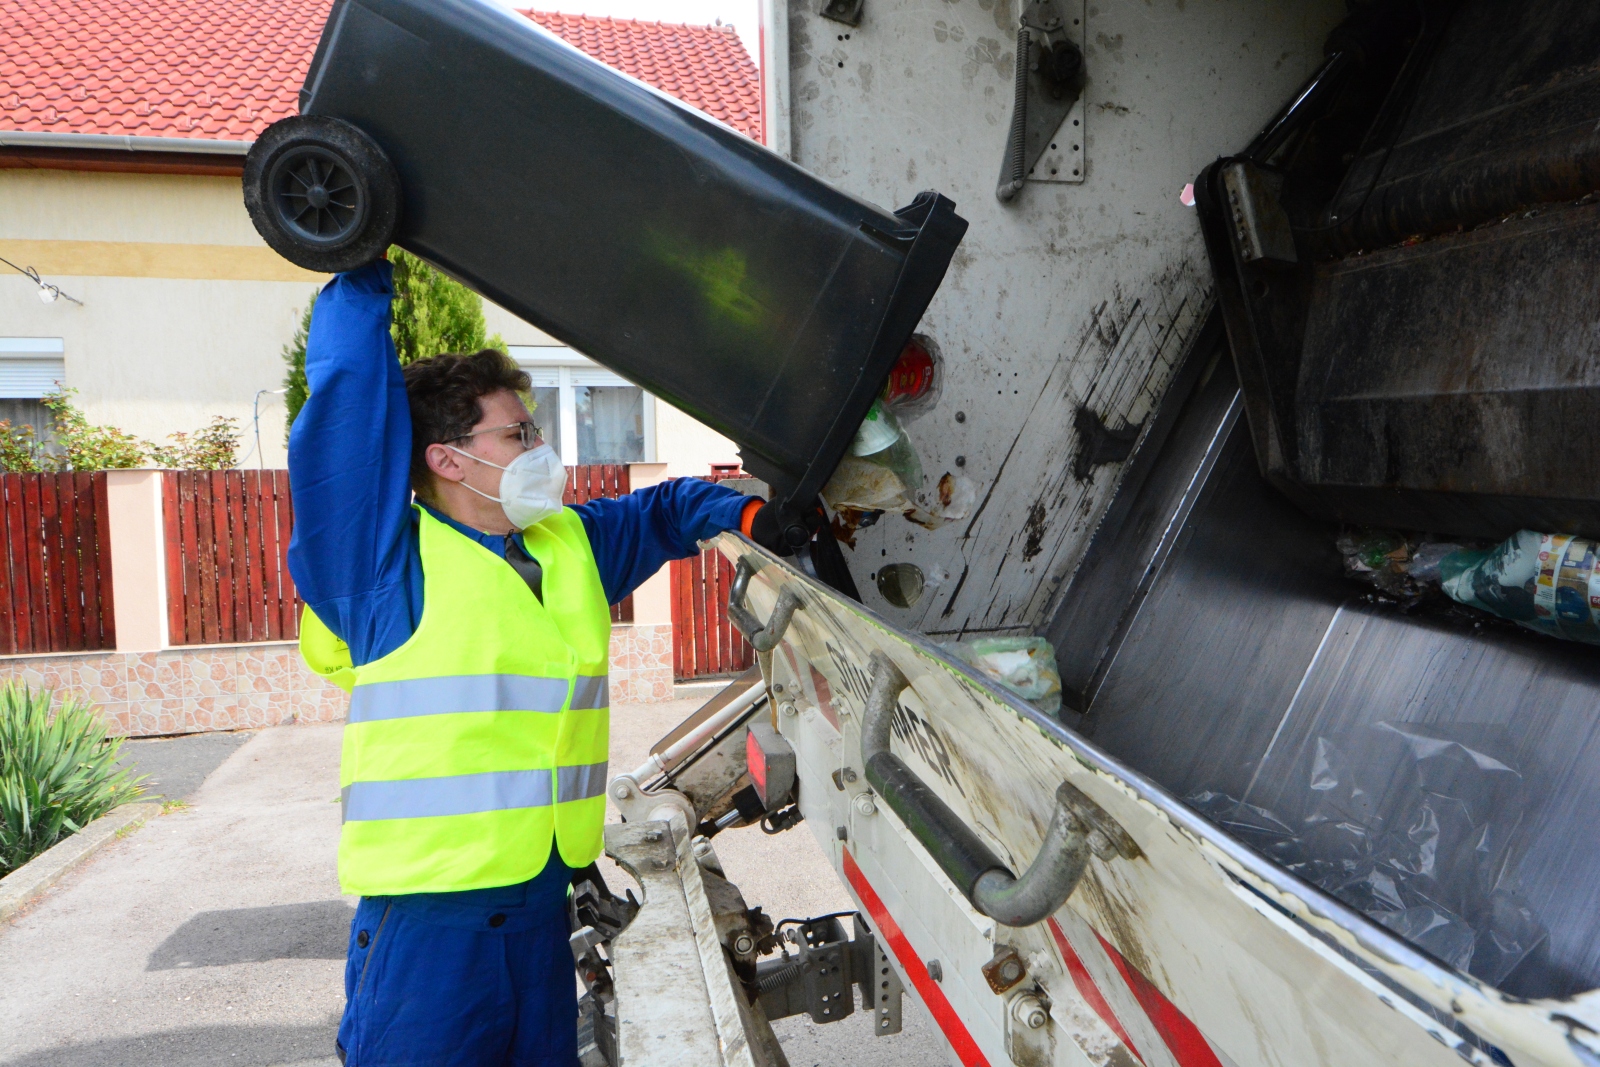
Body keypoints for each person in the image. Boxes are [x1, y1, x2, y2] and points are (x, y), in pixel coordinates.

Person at [287, 259, 783, 1066]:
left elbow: (667, 509)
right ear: (448, 459)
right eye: (518, 434)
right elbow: (344, 424)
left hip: (542, 914)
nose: (541, 449)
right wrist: (361, 266)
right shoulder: (384, 569)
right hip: (432, 930)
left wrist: (749, 515)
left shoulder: (565, 544)